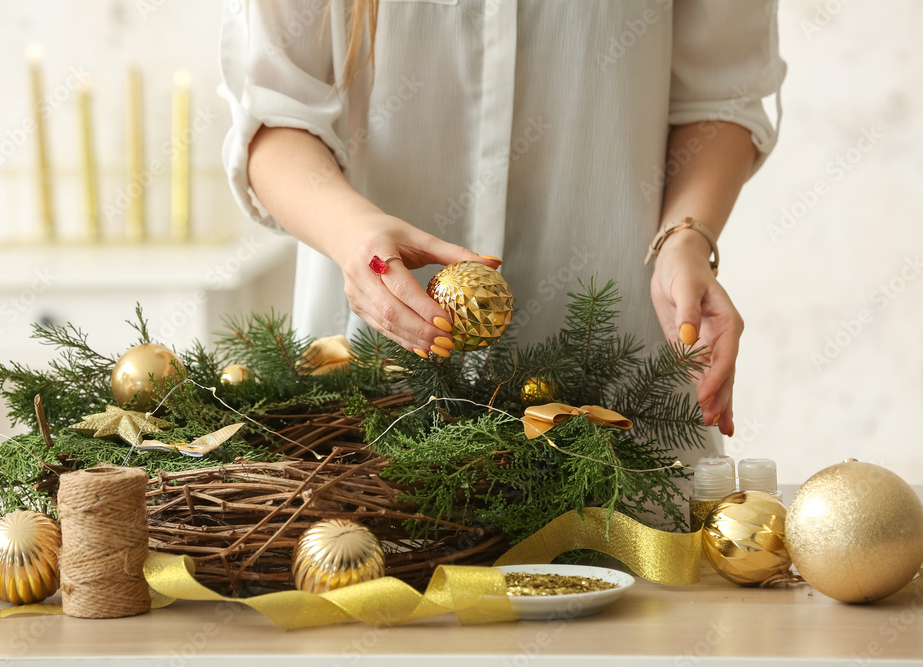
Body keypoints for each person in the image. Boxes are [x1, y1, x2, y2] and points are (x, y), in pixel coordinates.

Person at [218, 1, 785, 450]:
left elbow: (720, 95)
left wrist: (685, 238)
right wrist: (355, 234)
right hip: (365, 407)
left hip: (616, 407)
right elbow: (273, 111)